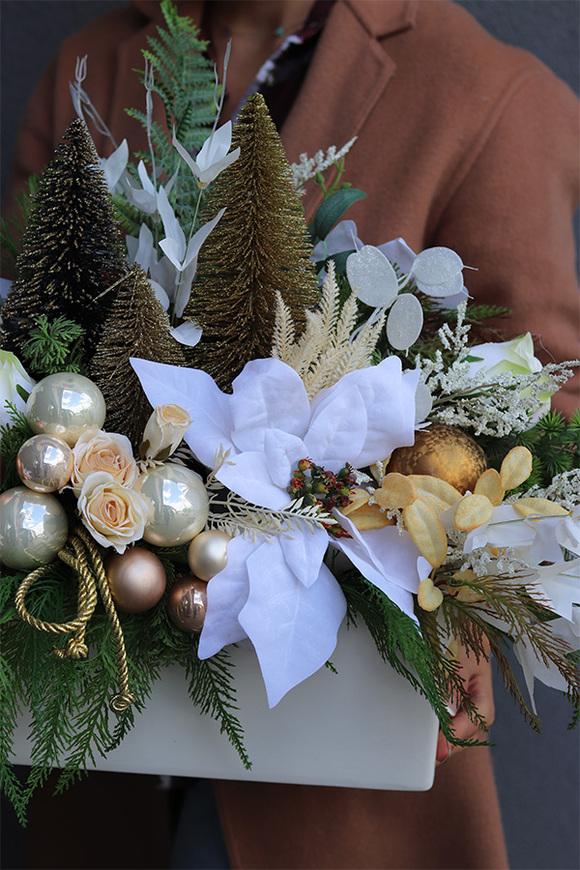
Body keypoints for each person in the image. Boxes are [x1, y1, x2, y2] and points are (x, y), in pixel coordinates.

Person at [2, 2, 578, 867]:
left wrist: (465, 579)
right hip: (96, 732)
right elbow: (25, 324)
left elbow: (549, 400)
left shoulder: (485, 91)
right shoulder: (93, 64)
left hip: (340, 773)